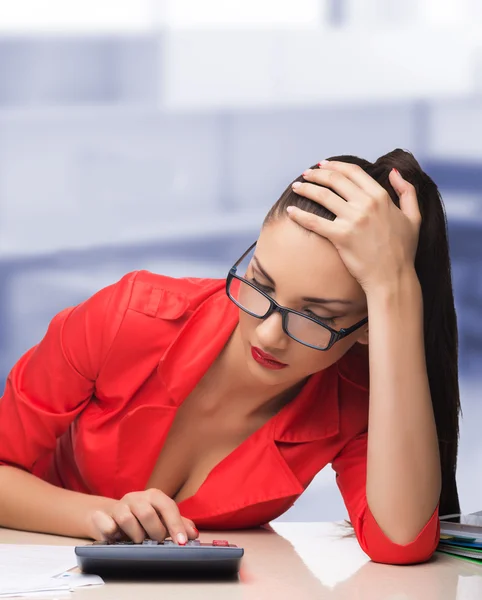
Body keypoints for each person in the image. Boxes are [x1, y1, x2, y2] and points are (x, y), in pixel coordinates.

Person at [0, 149, 460, 566]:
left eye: (317, 316)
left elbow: (400, 542)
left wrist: (394, 290)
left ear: (366, 328)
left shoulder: (357, 396)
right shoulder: (128, 316)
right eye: (260, 282)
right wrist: (100, 515)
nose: (268, 333)